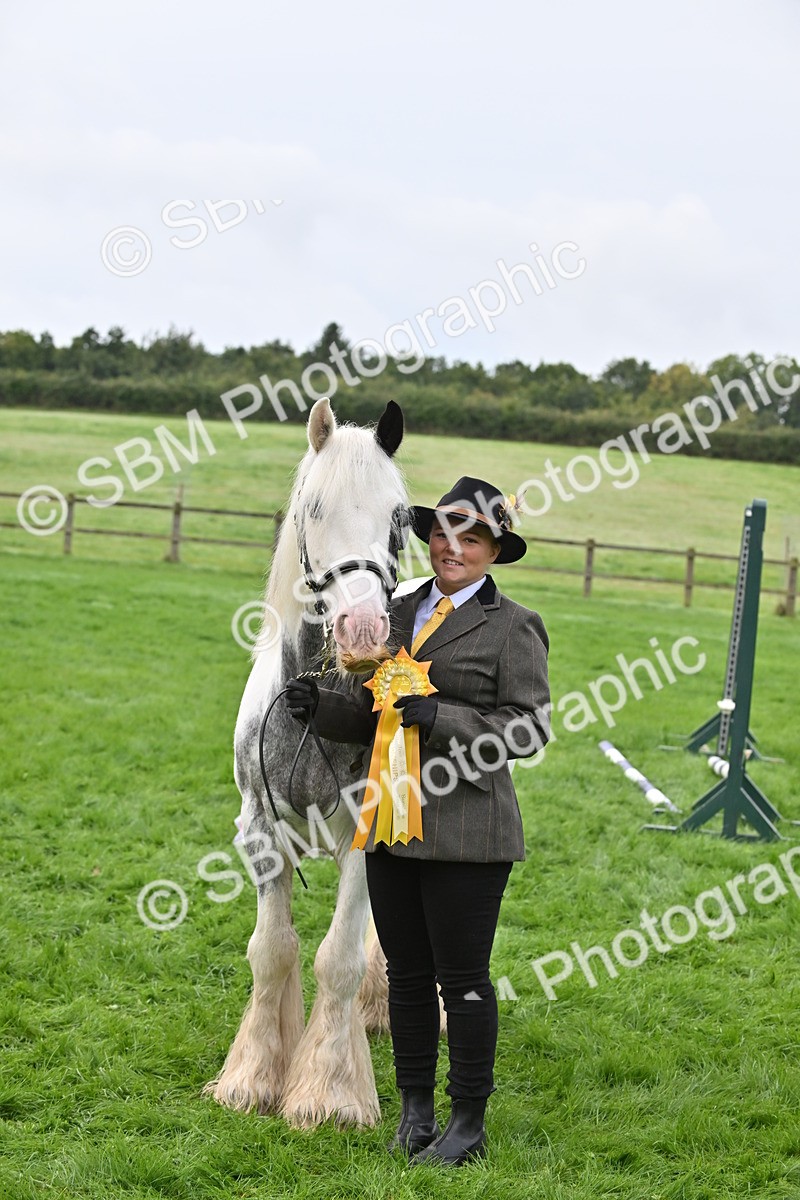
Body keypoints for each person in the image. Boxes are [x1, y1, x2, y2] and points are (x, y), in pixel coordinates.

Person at [285, 477, 550, 1166]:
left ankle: (467, 1122)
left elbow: (528, 730)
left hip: (468, 834)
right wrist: (323, 708)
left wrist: (443, 717)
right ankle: (415, 1112)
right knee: (404, 977)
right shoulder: (398, 609)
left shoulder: (513, 625)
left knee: (462, 982)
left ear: (495, 550)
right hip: (389, 823)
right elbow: (377, 714)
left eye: (471, 539)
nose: (452, 547)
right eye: (441, 533)